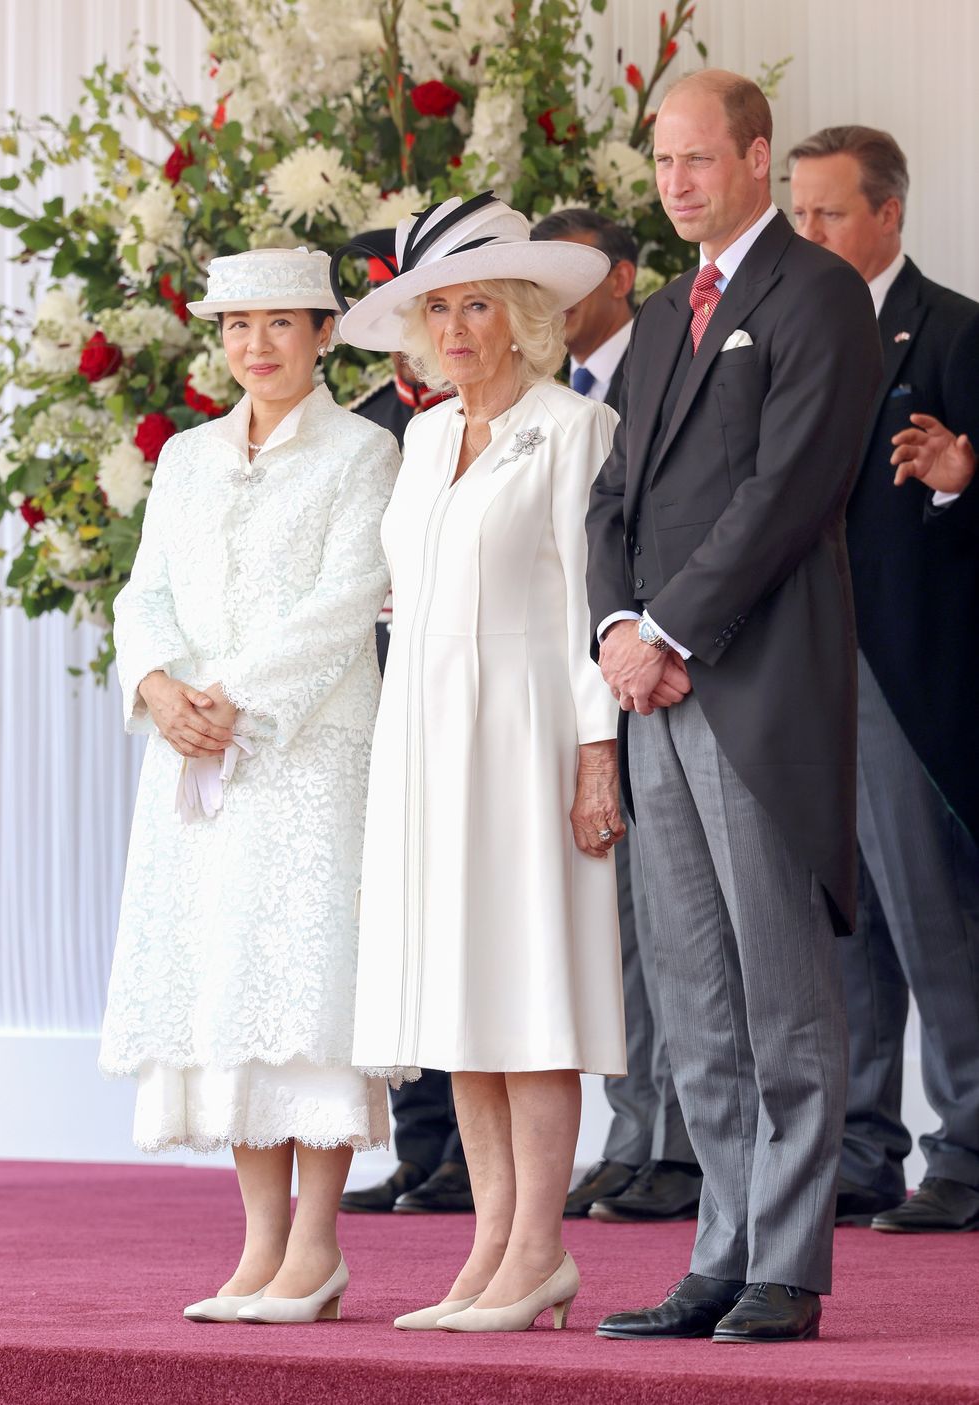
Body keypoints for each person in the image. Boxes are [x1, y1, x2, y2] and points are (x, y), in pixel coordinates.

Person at [587, 70, 882, 1345]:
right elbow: (612, 501)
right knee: (694, 994)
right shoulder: (660, 315)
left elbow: (786, 493)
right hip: (651, 695)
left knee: (779, 994)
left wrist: (664, 629)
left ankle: (788, 1264)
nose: (675, 184)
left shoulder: (817, 297)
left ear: (756, 159)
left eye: (697, 160)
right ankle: (717, 1249)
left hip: (752, 686)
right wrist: (612, 630)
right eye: (660, 165)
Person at [334, 191, 628, 1333]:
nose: (453, 328)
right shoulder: (417, 437)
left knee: (527, 991)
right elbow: (404, 606)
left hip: (526, 735)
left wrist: (593, 751)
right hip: (425, 736)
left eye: (474, 305)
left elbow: (588, 607)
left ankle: (539, 1249)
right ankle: (489, 1249)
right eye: (436, 309)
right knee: (457, 994)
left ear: (518, 315)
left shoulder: (572, 428)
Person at [98, 247, 401, 1324]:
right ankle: (259, 1244)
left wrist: (229, 700)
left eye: (281, 323)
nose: (257, 345)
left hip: (305, 752)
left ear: (324, 333)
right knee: (225, 984)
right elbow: (146, 593)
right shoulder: (183, 457)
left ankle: (315, 1247)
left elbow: (347, 596)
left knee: (303, 984)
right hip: (191, 756)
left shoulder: (364, 453)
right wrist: (158, 686)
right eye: (237, 325)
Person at [790, 126, 979, 1235]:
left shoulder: (954, 329)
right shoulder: (776, 334)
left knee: (927, 914)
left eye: (825, 212)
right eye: (796, 212)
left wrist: (961, 483)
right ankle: (860, 1146)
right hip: (795, 673)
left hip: (905, 674)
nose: (805, 232)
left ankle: (965, 1143)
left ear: (887, 215)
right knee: (835, 923)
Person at [531, 208, 700, 1225]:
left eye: (569, 279)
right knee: (625, 928)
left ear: (621, 277)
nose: (550, 303)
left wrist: (645, 636)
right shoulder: (554, 399)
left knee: (678, 925)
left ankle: (678, 1145)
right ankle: (634, 1134)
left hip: (667, 666)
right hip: (595, 667)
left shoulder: (668, 352)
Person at [341, 233, 472, 1216]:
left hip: (470, 690)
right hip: (379, 691)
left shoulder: (488, 411)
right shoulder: (364, 427)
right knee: (404, 920)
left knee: (470, 914)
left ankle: (475, 1149)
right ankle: (422, 1143)